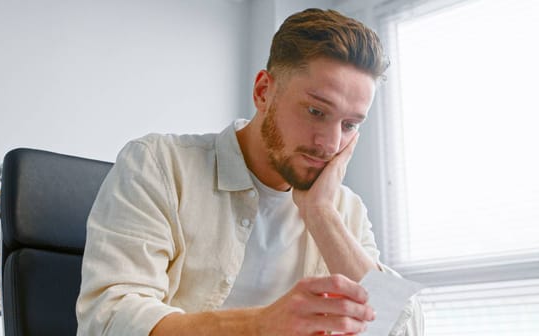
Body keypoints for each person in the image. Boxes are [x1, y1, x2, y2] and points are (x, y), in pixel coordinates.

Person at [76, 8, 423, 336]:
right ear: (262, 92)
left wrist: (320, 214)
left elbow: (402, 329)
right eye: (316, 111)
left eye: (349, 124)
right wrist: (260, 324)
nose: (330, 144)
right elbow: (109, 320)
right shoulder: (159, 165)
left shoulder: (344, 210)